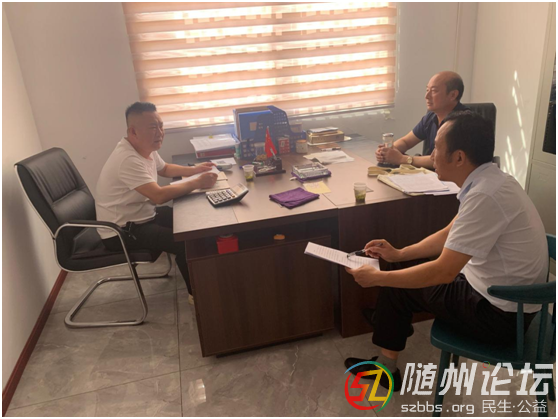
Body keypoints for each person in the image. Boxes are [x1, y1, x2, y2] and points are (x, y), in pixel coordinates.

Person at [346, 112, 548, 390]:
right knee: (398, 269)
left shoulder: (484, 195)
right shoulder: (492, 180)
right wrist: (400, 253)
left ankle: (387, 364)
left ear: (459, 157)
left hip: (499, 317)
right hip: (502, 300)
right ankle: (392, 321)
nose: (431, 155)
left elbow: (443, 271)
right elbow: (448, 234)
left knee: (396, 285)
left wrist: (378, 279)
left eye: (437, 148)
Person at [96, 102, 218, 304]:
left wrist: (195, 170)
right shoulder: (127, 159)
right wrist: (197, 182)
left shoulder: (145, 148)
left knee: (192, 220)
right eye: (153, 127)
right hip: (121, 231)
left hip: (141, 217)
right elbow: (158, 196)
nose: (160, 132)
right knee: (185, 242)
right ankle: (197, 295)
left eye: (161, 126)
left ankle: (212, 273)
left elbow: (165, 169)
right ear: (133, 131)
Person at [376, 71, 469, 169]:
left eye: (434, 91)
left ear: (453, 95)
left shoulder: (464, 122)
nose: (427, 96)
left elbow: (443, 160)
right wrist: (388, 151)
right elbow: (406, 142)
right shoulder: (431, 117)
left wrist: (402, 159)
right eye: (427, 90)